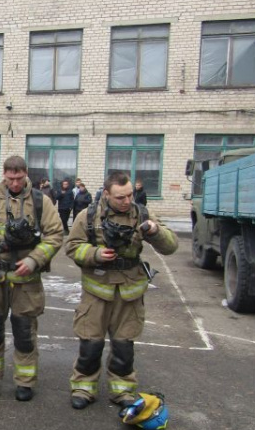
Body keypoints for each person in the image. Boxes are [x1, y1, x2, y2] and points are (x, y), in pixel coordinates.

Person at [65, 171, 178, 411]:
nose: (127, 201)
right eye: (120, 197)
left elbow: (171, 246)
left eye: (130, 195)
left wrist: (155, 231)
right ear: (106, 194)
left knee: (124, 345)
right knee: (90, 343)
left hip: (129, 293)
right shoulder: (89, 215)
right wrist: (95, 254)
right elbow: (73, 247)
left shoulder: (142, 214)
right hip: (97, 291)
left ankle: (122, 390)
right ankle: (84, 387)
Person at [0, 156, 64, 401]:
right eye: (10, 178)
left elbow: (55, 235)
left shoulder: (41, 201)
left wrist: (34, 260)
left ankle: (25, 381)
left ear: (26, 174)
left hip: (26, 279)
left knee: (24, 331)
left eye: (19, 178)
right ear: (4, 175)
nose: (15, 183)